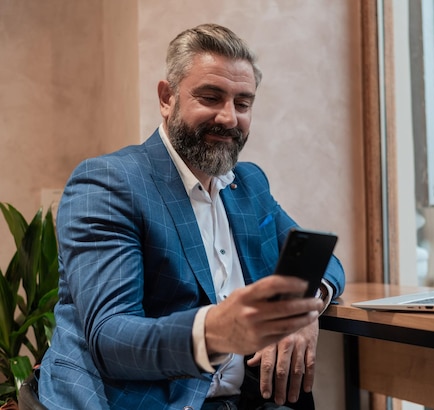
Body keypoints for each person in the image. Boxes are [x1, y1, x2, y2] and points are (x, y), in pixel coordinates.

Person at [38, 23, 345, 410]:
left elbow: (325, 262)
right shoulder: (108, 183)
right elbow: (111, 338)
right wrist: (216, 332)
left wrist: (304, 307)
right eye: (211, 97)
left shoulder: (249, 184)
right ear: (167, 98)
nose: (229, 118)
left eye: (243, 103)